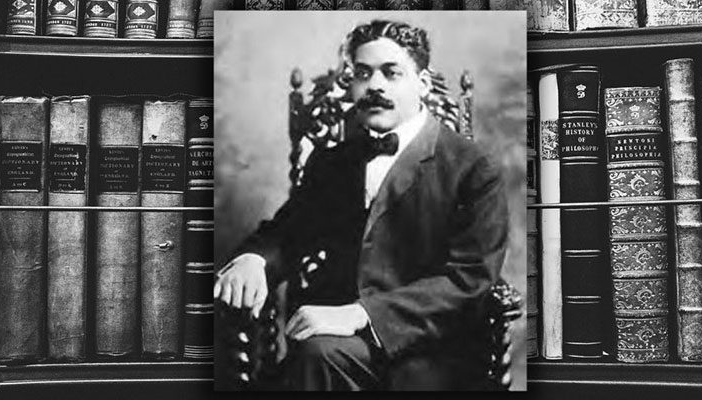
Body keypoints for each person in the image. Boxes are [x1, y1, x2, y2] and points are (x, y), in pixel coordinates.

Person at [214, 19, 509, 390]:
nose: (375, 86)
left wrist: (364, 314)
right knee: (312, 354)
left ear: (422, 83)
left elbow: (471, 279)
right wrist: (255, 259)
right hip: (334, 341)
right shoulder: (334, 162)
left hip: (433, 350)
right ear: (351, 84)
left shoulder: (472, 167)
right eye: (363, 74)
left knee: (317, 354)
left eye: (391, 73)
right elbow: (289, 232)